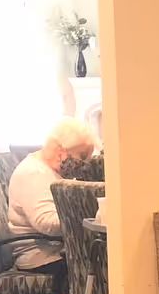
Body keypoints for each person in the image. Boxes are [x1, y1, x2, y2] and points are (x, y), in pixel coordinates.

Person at [6, 117, 97, 274]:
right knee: (103, 263)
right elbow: (46, 223)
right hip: (40, 255)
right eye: (82, 156)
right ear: (61, 151)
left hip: (53, 249)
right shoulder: (35, 173)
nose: (85, 163)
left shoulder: (50, 170)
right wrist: (89, 216)